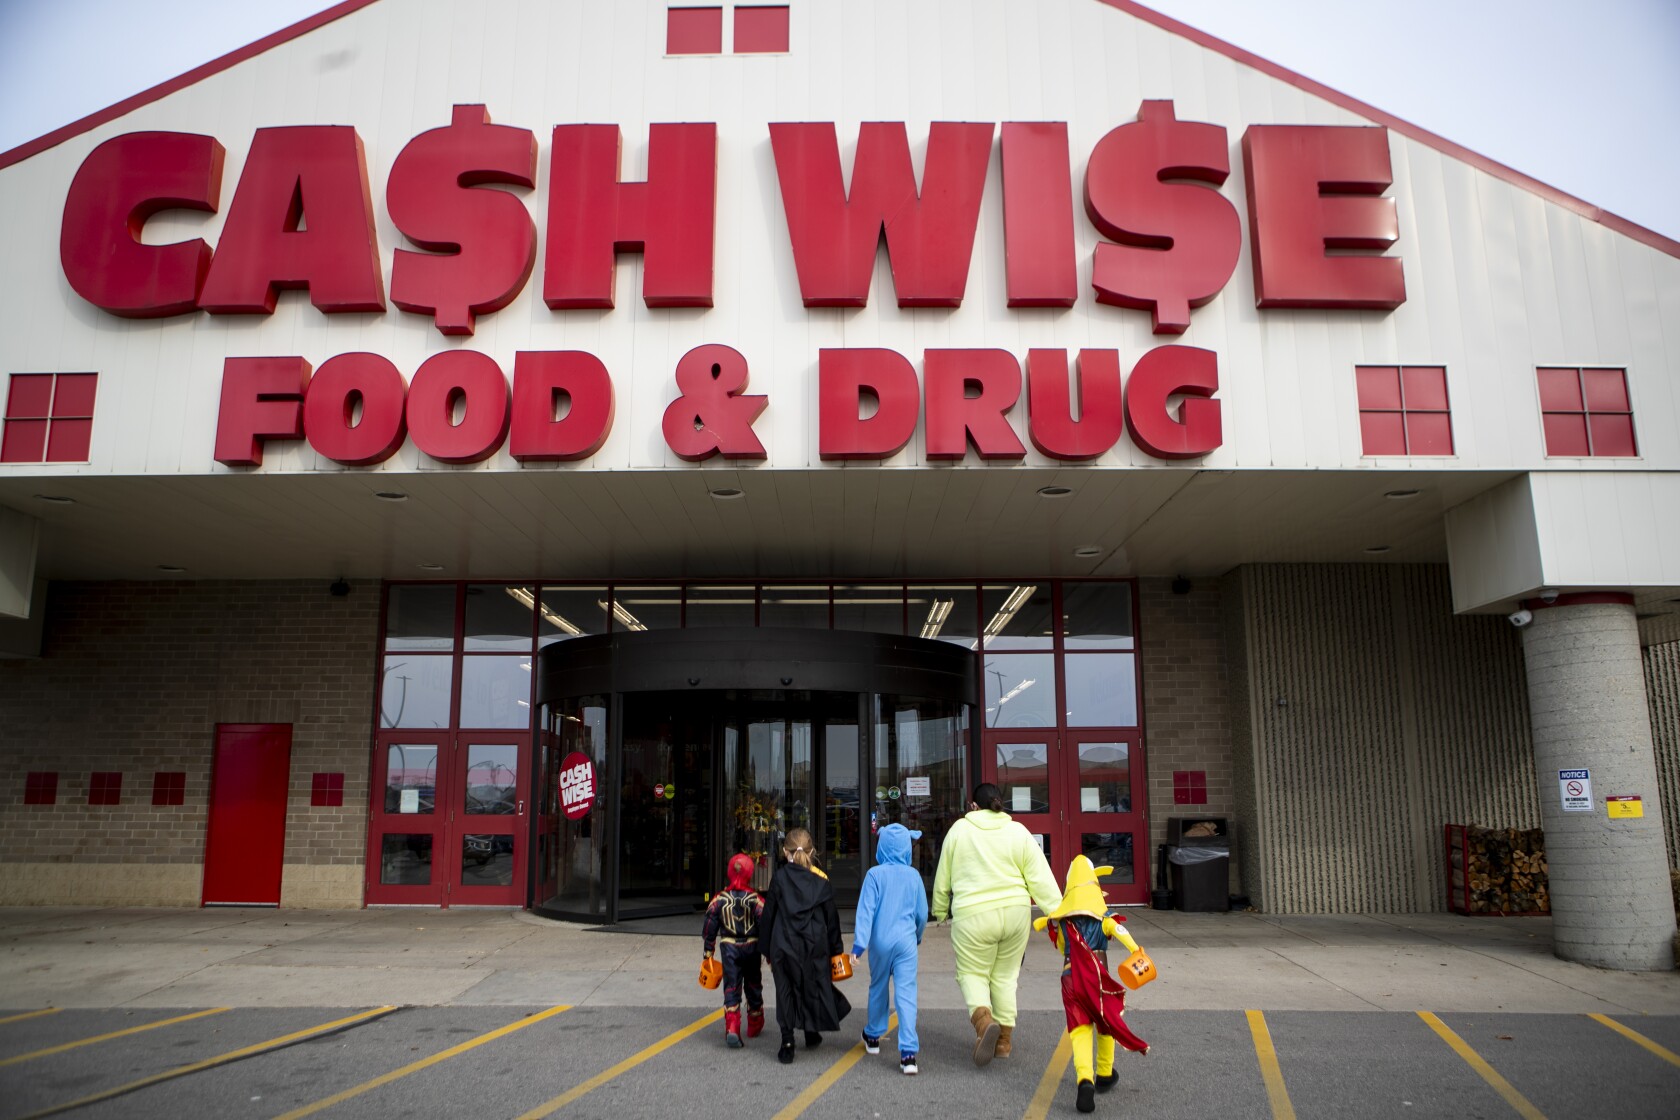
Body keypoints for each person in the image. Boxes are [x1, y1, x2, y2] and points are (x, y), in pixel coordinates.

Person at [930, 782, 1063, 1066]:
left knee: (973, 973)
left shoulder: (959, 831)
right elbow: (1040, 877)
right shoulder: (1018, 831)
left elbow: (944, 878)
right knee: (1005, 977)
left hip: (974, 915)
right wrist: (1059, 914)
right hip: (1016, 913)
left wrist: (940, 911)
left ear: (974, 806)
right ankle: (1003, 1042)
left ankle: (983, 1023)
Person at [1035, 855, 1151, 1113]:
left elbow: (1064, 948)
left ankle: (1084, 1079)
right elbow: (1120, 932)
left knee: (1079, 1029)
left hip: (1070, 977)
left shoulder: (1063, 920)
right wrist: (1136, 950)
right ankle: (1105, 1073)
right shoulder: (1103, 916)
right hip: (1098, 978)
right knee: (1107, 1020)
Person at [760, 826, 851, 1064]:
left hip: (783, 942)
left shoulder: (779, 878)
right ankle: (811, 1032)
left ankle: (787, 1042)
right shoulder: (821, 881)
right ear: (812, 851)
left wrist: (766, 948)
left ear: (784, 851)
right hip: (814, 944)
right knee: (811, 986)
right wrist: (836, 950)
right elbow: (832, 920)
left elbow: (769, 914)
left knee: (785, 991)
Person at [851, 823, 929, 1075]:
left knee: (878, 986)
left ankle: (873, 1036)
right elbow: (921, 914)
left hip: (880, 942)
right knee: (906, 994)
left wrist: (859, 946)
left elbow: (866, 912)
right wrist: (916, 936)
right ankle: (908, 1054)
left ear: (881, 847)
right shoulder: (914, 876)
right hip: (906, 942)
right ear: (907, 847)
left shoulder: (874, 875)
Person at [700, 852, 766, 1048]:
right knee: (753, 984)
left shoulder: (719, 899)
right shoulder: (756, 900)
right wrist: (769, 952)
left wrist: (708, 951)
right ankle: (754, 1024)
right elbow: (765, 925)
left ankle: (732, 1026)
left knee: (731, 985)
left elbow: (709, 925)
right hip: (752, 946)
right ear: (750, 874)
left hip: (729, 947)